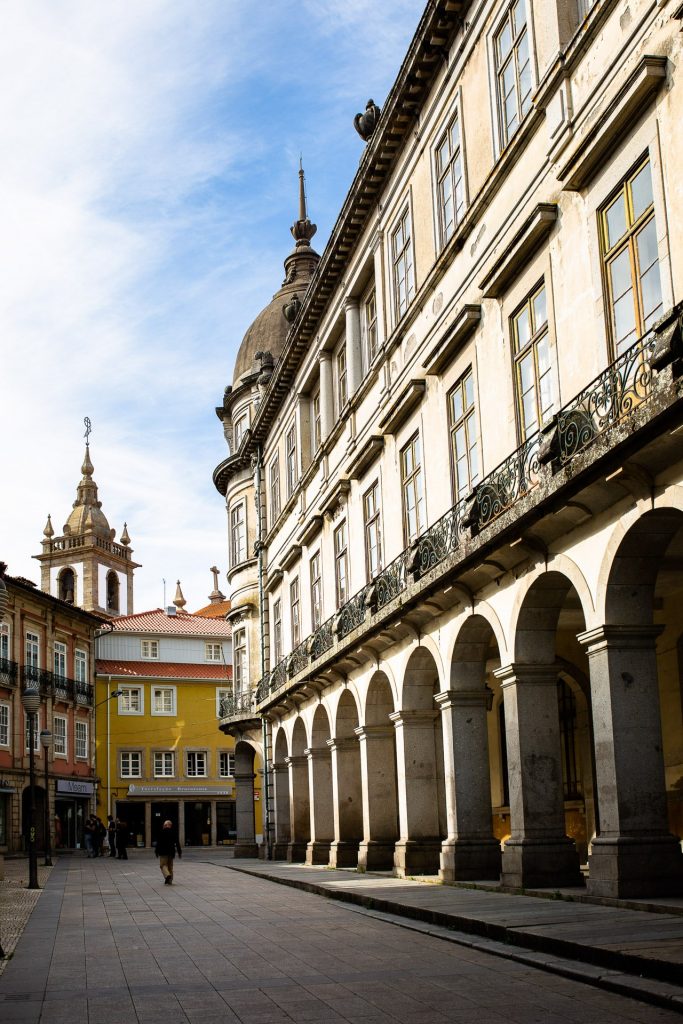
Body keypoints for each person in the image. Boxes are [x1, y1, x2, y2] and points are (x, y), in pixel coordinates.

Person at [155, 820, 181, 884]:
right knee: (170, 867)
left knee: (163, 865)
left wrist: (156, 851)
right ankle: (170, 881)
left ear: (165, 825)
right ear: (170, 825)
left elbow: (158, 843)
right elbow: (177, 843)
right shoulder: (174, 832)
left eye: (164, 825)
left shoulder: (161, 832)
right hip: (171, 852)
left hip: (163, 852)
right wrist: (179, 852)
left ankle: (167, 875)